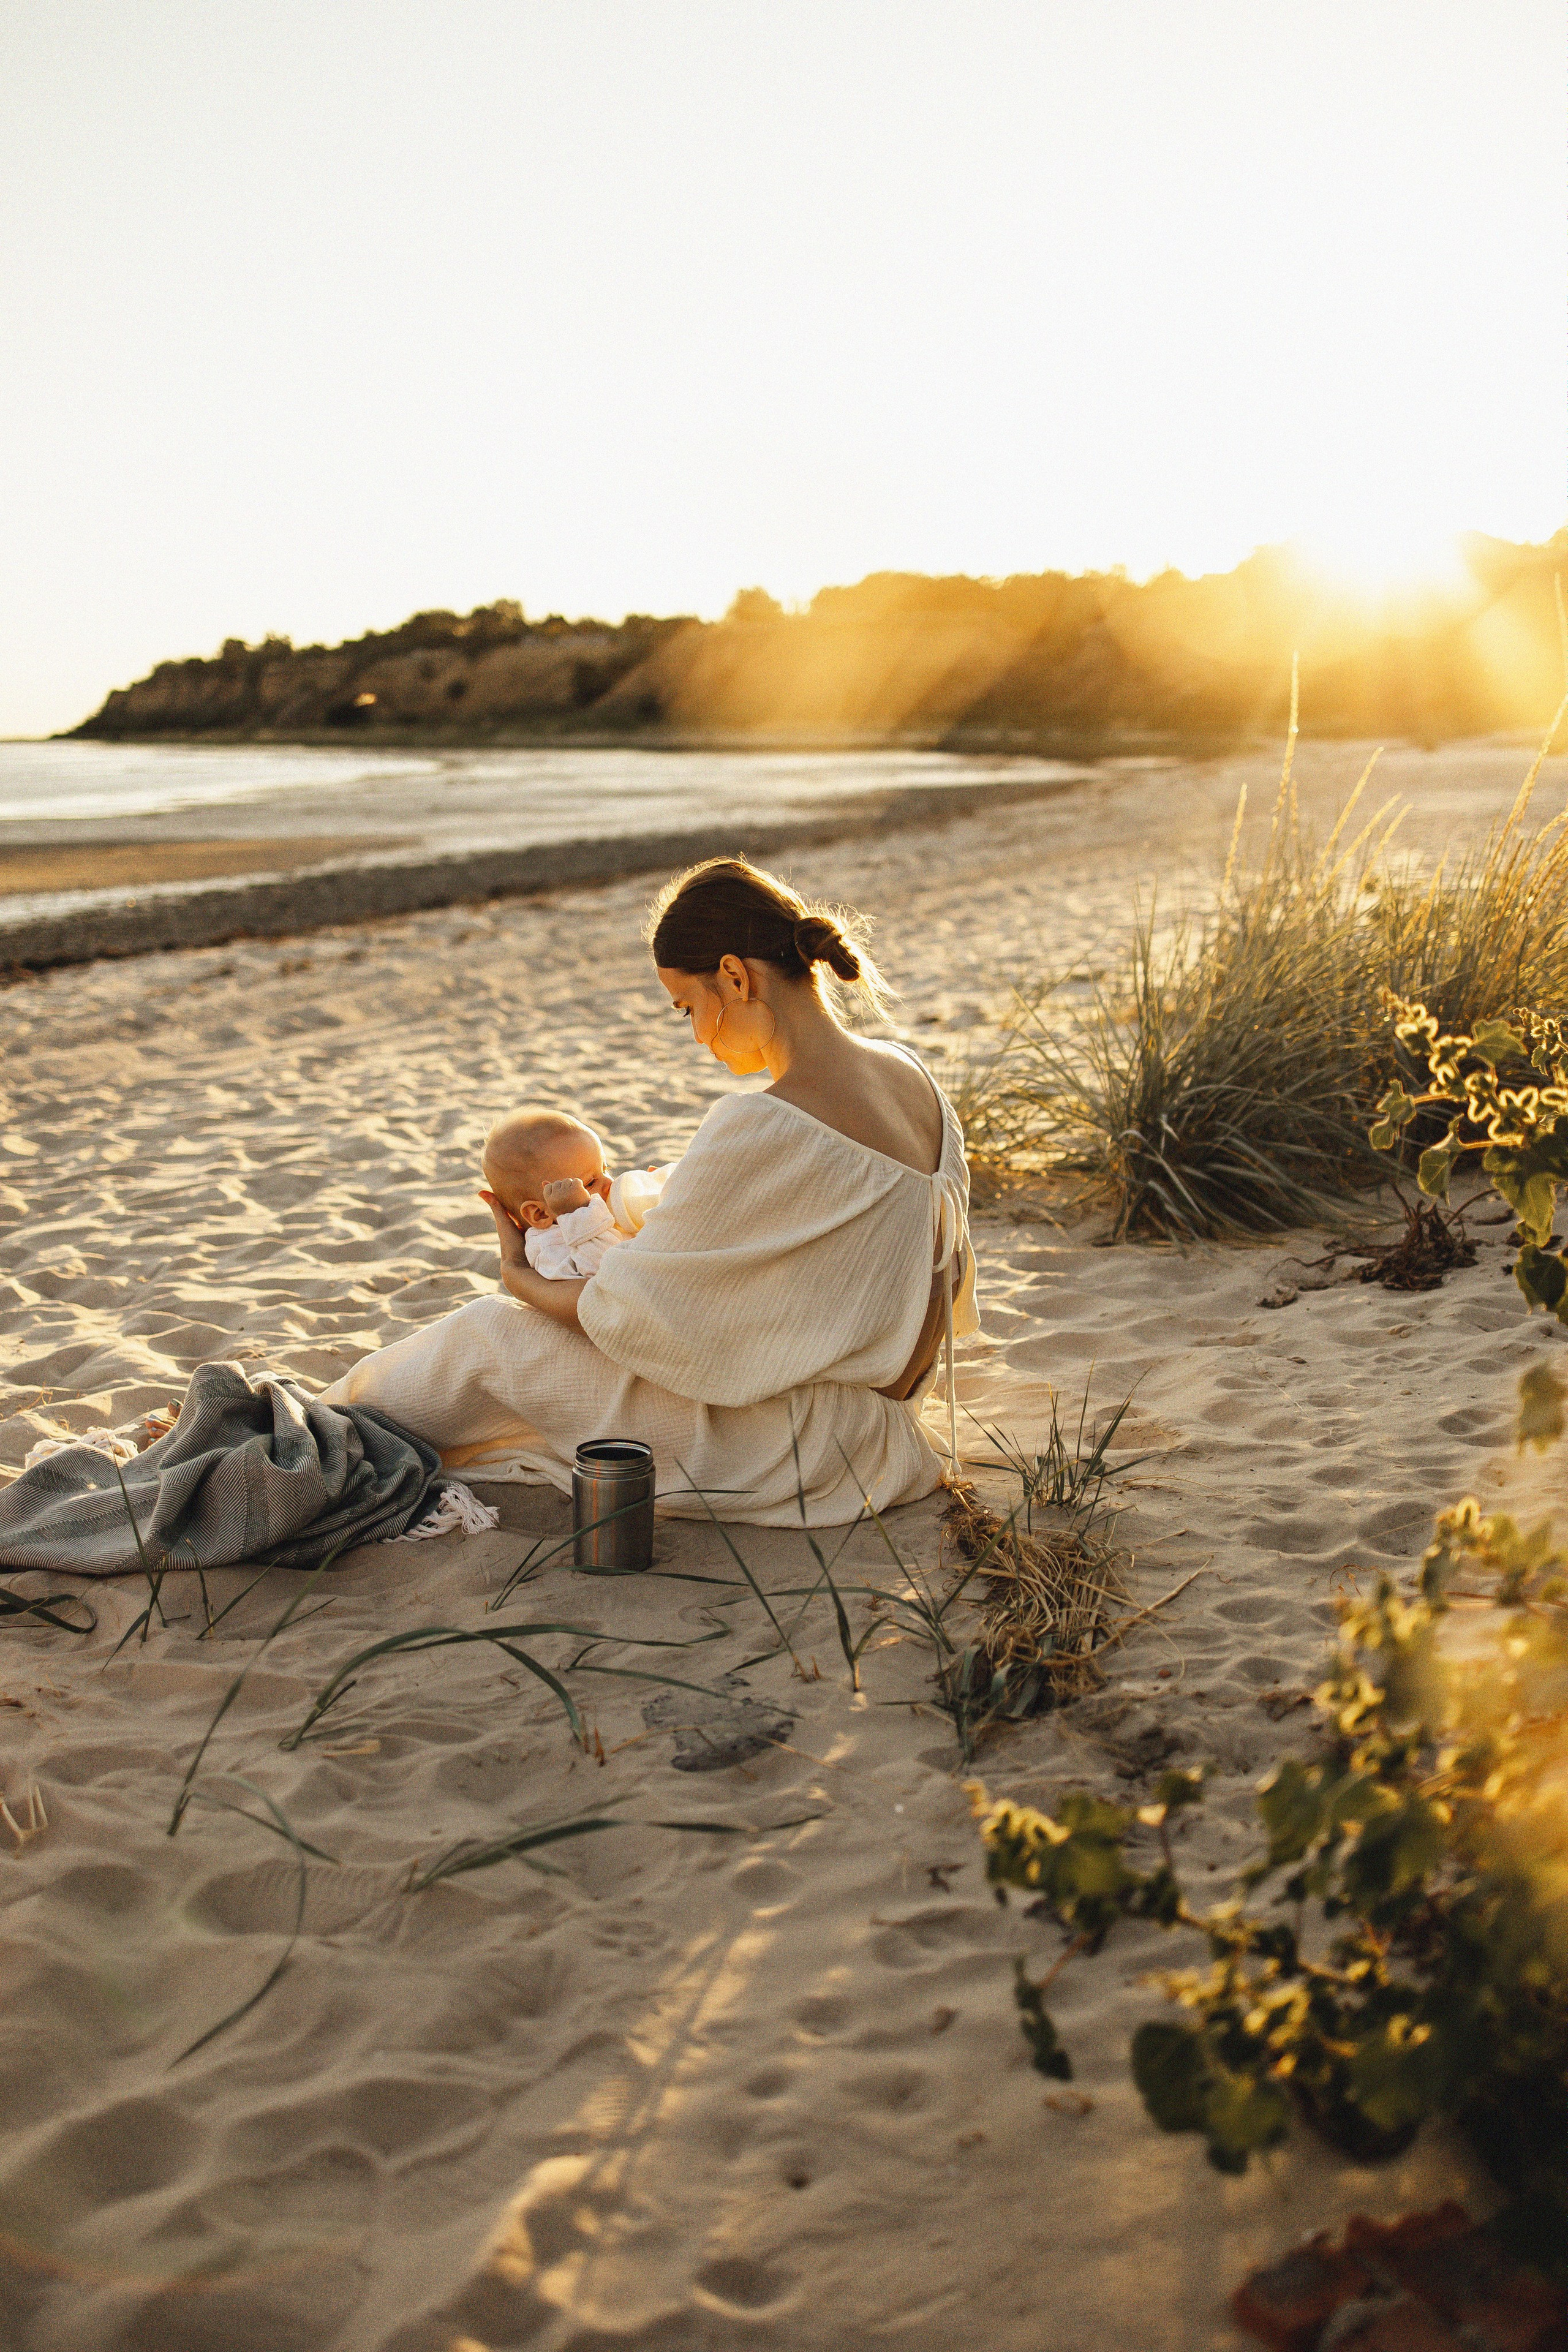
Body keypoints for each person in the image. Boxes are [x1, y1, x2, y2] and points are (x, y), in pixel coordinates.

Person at [320, 856, 977, 1525]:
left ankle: (309, 1433)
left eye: (688, 1007)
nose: (696, 1034)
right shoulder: (913, 1078)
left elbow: (622, 1311)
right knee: (626, 1228)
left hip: (795, 1450)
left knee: (486, 1335)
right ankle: (333, 1425)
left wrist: (517, 1274)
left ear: (733, 975)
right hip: (884, 1430)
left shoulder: (762, 1121)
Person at [480, 1107, 672, 1280]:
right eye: (590, 1182)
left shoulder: (604, 1213)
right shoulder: (549, 1249)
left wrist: (656, 1196)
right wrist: (578, 1216)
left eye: (606, 1169)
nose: (610, 1183)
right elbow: (609, 1276)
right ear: (541, 1214)